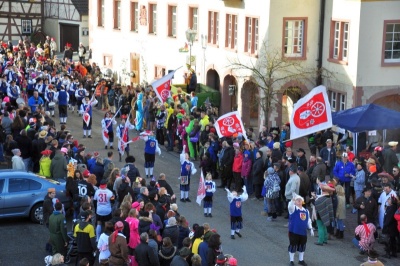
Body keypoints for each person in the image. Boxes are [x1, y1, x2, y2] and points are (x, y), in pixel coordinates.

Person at [288, 193, 313, 266]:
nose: (299, 201)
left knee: (302, 246)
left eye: (300, 200)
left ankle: (301, 260)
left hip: (303, 232)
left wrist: (310, 228)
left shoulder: (306, 211)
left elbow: (308, 220)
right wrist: (293, 199)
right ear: (295, 202)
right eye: (297, 200)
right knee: (293, 245)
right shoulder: (293, 209)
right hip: (294, 231)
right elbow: (290, 206)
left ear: (302, 201)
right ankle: (291, 261)